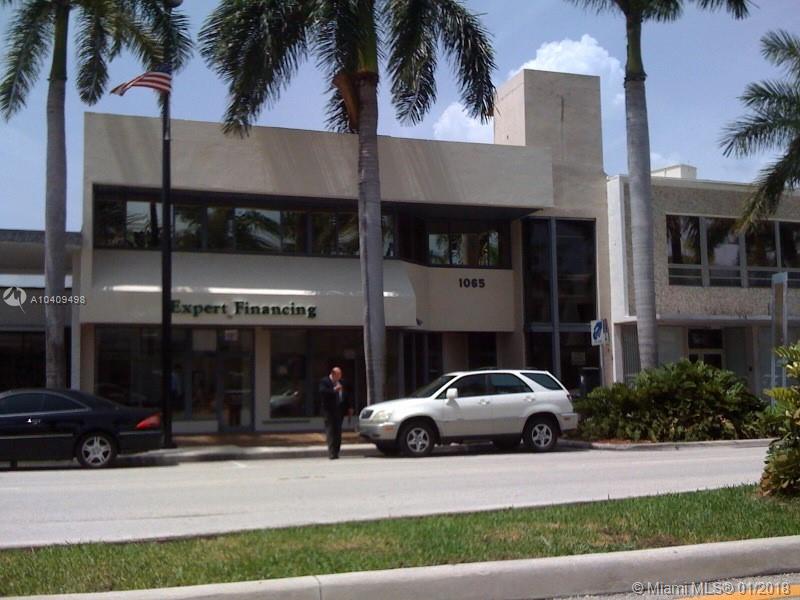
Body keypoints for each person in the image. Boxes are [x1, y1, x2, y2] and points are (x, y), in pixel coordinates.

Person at [318, 366, 352, 459]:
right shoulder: (325, 381)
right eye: (338, 375)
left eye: (340, 375)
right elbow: (322, 392)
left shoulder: (342, 382)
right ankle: (331, 452)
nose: (340, 377)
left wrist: (349, 407)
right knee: (330, 431)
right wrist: (334, 390)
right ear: (333, 374)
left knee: (338, 431)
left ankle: (336, 452)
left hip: (339, 410)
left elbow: (346, 396)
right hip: (328, 410)